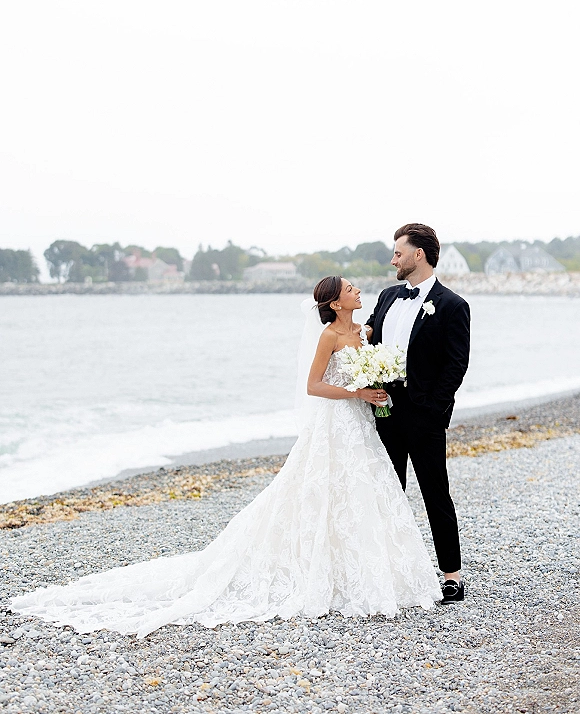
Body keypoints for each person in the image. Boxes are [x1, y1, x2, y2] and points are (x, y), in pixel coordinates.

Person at [10, 276, 442, 638]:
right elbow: (313, 386)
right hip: (336, 425)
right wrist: (357, 392)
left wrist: (375, 389)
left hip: (361, 426)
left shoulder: (363, 332)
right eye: (350, 288)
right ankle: (314, 571)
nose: (357, 290)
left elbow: (372, 365)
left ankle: (369, 573)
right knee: (317, 493)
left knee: (364, 494)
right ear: (334, 301)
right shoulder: (330, 335)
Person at [366, 224, 470, 603]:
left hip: (424, 415)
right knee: (389, 492)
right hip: (383, 410)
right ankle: (393, 572)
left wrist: (433, 410)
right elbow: (369, 339)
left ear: (418, 255)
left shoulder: (452, 305)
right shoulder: (388, 295)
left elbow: (456, 365)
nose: (392, 259)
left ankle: (452, 575)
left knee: (435, 493)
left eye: (398, 252)